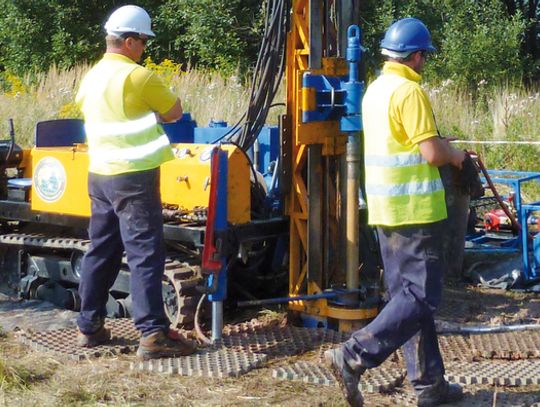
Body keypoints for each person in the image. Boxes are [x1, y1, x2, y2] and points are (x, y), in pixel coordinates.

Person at [325, 18, 465, 406]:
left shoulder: (375, 90)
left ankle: (429, 386)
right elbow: (433, 154)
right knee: (420, 298)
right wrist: (455, 155)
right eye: (425, 57)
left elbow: (405, 143)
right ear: (417, 56)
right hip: (415, 210)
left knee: (407, 299)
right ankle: (353, 355)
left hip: (386, 210)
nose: (425, 63)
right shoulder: (410, 91)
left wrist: (436, 142)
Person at [75, 4, 197, 360]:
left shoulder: (91, 76)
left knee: (102, 249)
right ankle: (152, 334)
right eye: (142, 41)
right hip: (134, 177)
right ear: (129, 41)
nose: (144, 48)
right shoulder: (138, 77)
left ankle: (89, 326)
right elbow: (174, 112)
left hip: (100, 176)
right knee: (145, 253)